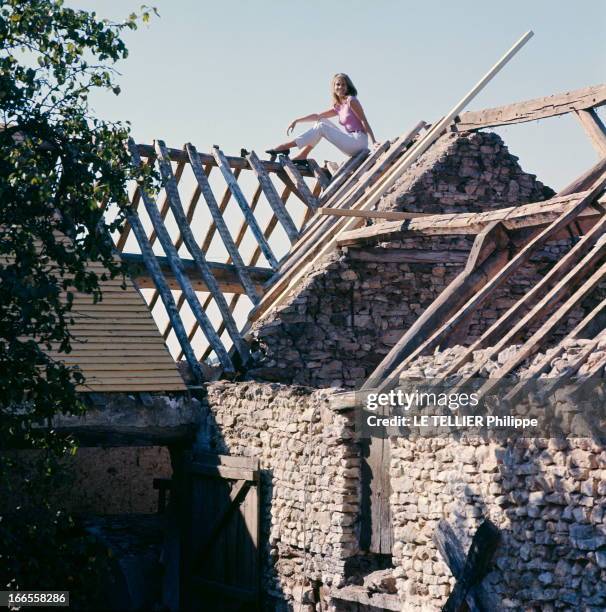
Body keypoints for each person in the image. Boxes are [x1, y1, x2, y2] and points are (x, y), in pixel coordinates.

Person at [267, 73, 377, 162]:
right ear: (334, 87)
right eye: (338, 85)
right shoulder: (339, 106)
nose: (341, 87)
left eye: (343, 84)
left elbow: (364, 120)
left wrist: (374, 142)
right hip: (350, 140)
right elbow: (317, 116)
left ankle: (286, 146)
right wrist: (297, 120)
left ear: (348, 86)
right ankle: (303, 154)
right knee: (321, 121)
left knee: (322, 126)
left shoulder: (351, 100)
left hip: (358, 142)